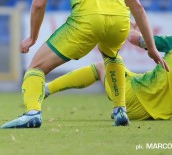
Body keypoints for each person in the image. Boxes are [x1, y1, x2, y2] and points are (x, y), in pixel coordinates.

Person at [0, 0, 168, 129]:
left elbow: (39, 3)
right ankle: (120, 109)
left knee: (36, 67)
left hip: (87, 19)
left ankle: (33, 112)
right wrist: (151, 48)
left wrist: (33, 37)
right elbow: (137, 6)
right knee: (111, 55)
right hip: (120, 20)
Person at [44, 26, 172, 121]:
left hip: (134, 97)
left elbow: (135, 39)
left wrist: (128, 27)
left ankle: (47, 89)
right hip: (159, 114)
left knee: (102, 67)